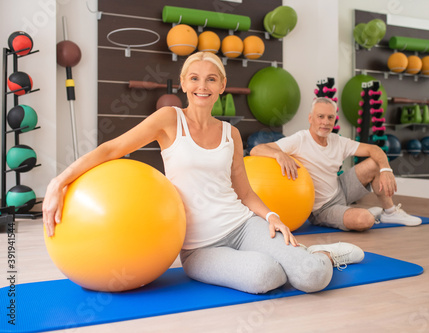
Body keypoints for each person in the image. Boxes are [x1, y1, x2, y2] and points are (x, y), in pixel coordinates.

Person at [42, 52, 365, 295]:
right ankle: (291, 257)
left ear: (222, 86)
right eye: (194, 78)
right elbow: (112, 149)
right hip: (199, 247)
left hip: (242, 225)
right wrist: (60, 181)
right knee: (265, 276)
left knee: (312, 276)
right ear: (183, 83)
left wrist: (271, 217)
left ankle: (324, 255)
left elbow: (246, 193)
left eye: (211, 79)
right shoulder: (169, 119)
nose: (202, 85)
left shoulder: (230, 134)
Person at [250, 97, 422, 232]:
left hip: (341, 188)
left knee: (375, 164)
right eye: (321, 117)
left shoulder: (337, 141)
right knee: (365, 220)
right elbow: (256, 150)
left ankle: (390, 212)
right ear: (311, 118)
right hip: (322, 208)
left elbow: (374, 149)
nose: (325, 122)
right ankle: (369, 214)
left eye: (330, 117)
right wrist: (279, 154)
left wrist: (386, 169)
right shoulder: (300, 140)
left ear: (334, 120)